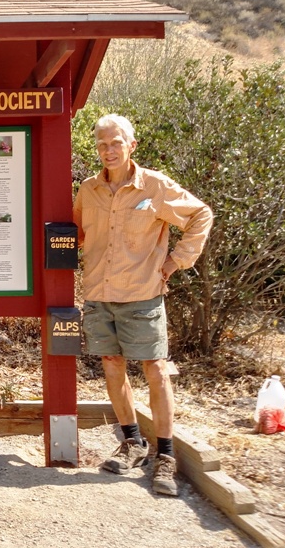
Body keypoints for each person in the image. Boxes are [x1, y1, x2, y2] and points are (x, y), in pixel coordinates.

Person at [72, 114, 212, 496]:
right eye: (102, 144)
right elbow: (76, 235)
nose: (109, 150)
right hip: (100, 294)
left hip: (142, 294)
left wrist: (175, 262)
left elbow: (201, 214)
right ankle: (133, 442)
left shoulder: (155, 185)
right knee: (112, 366)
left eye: (116, 143)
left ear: (131, 145)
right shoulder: (88, 190)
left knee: (156, 370)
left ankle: (165, 456)